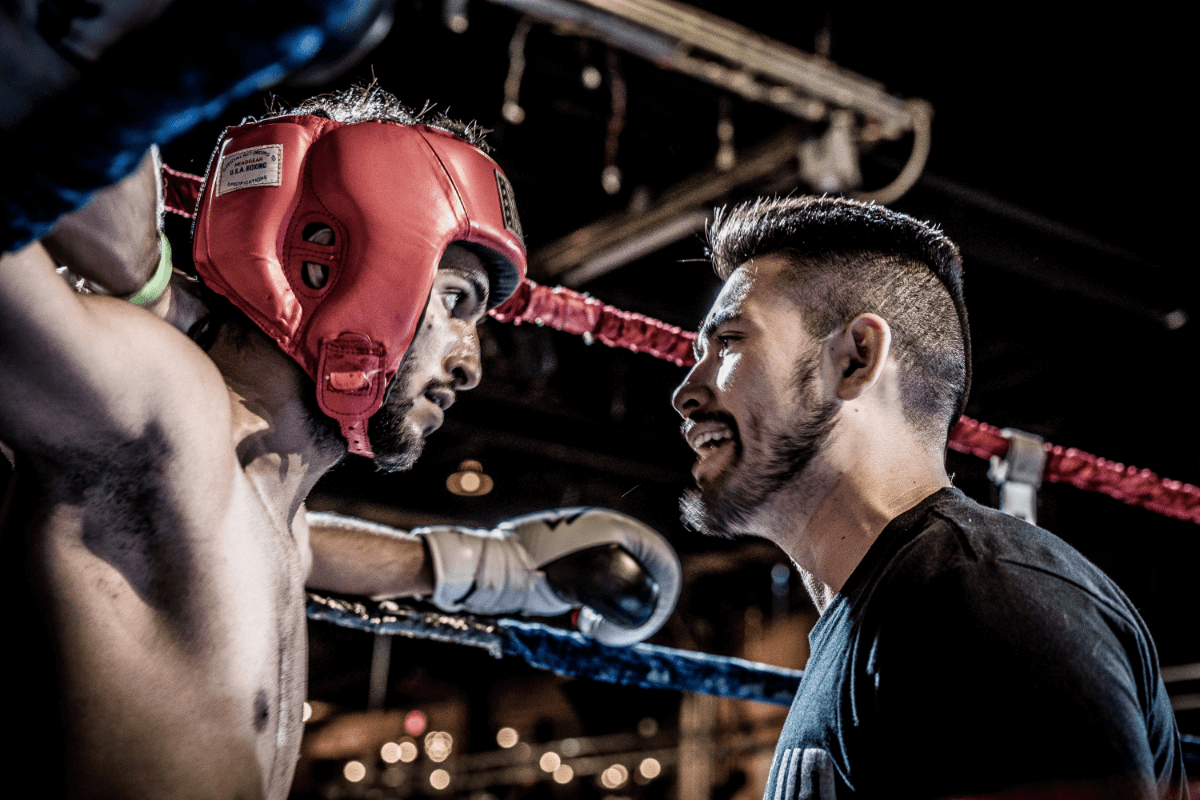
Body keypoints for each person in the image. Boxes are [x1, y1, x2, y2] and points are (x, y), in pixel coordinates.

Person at [0, 86, 679, 799]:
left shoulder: (258, 504)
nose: (471, 365)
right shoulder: (167, 409)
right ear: (345, 264)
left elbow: (298, 547)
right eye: (454, 302)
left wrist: (492, 567)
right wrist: (64, 66)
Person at [671, 195, 1188, 799]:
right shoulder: (890, 618)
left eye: (729, 341)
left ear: (856, 359)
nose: (686, 392)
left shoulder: (981, 602)